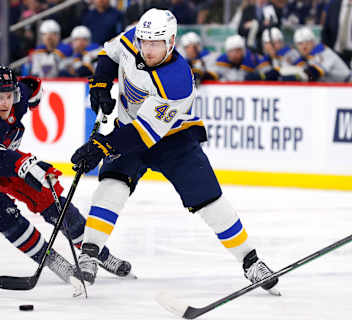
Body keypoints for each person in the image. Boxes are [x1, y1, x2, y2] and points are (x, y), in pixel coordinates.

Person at [70, 8, 280, 295]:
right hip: (129, 128)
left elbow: (144, 133)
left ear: (170, 42)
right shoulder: (135, 38)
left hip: (172, 138)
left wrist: (101, 145)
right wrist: (100, 83)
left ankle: (251, 261)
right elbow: (110, 54)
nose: (148, 49)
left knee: (208, 197)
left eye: (155, 44)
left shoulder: (178, 80)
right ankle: (90, 253)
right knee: (112, 183)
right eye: (145, 42)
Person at [0, 65, 132, 294]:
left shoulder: (18, 96)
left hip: (4, 157)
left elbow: (33, 86)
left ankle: (100, 255)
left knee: (52, 201)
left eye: (9, 96)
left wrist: (33, 97)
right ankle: (54, 262)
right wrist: (24, 166)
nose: (5, 103)